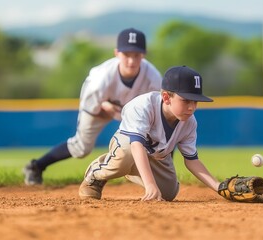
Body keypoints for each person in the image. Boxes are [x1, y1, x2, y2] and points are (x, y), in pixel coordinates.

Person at [23, 28, 162, 185]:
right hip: (100, 105)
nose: (131, 60)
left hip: (132, 110)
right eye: (126, 54)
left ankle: (157, 177)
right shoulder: (100, 79)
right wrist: (103, 105)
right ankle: (36, 166)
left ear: (144, 54)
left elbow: (158, 114)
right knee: (82, 147)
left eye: (136, 55)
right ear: (116, 53)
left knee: (154, 138)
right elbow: (90, 105)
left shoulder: (153, 78)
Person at [78, 65, 221, 201]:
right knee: (127, 153)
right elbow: (136, 145)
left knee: (168, 193)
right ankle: (97, 172)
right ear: (166, 97)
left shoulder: (189, 122)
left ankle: (130, 168)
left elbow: (192, 160)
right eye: (185, 100)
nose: (191, 107)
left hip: (156, 156)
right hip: (128, 144)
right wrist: (150, 185)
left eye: (195, 101)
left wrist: (219, 187)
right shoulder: (142, 106)